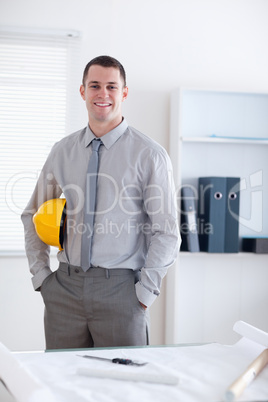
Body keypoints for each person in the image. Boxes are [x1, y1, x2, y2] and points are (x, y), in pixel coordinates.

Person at [21, 55, 180, 350]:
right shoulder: (62, 151)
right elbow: (32, 213)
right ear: (83, 91)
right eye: (94, 86)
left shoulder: (150, 155)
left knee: (125, 388)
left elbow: (167, 231)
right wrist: (42, 277)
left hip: (122, 291)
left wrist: (145, 294)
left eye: (111, 86)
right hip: (64, 291)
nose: (103, 94)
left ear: (124, 92)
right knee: (62, 388)